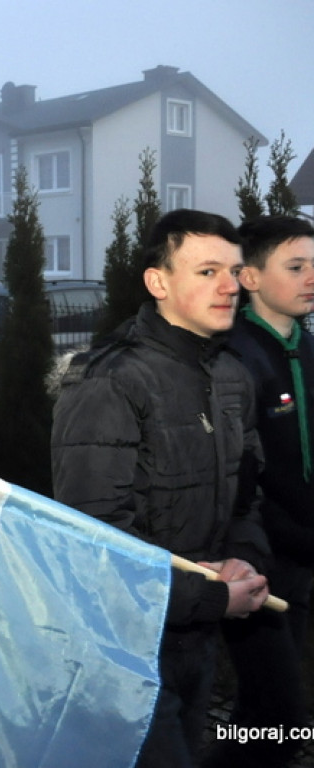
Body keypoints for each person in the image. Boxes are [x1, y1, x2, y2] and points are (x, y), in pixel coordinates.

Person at [51, 209, 271, 768]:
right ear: (159, 282)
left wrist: (242, 560)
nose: (230, 285)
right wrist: (212, 597)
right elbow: (96, 544)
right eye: (206, 271)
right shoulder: (110, 380)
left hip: (198, 639)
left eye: (235, 270)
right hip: (125, 652)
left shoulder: (231, 377)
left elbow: (247, 493)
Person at [204, 215, 314, 767]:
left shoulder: (306, 345)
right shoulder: (235, 357)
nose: (311, 278)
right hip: (261, 553)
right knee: (284, 715)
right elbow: (248, 475)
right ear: (249, 278)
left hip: (303, 551)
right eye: (295, 267)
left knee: (266, 708)